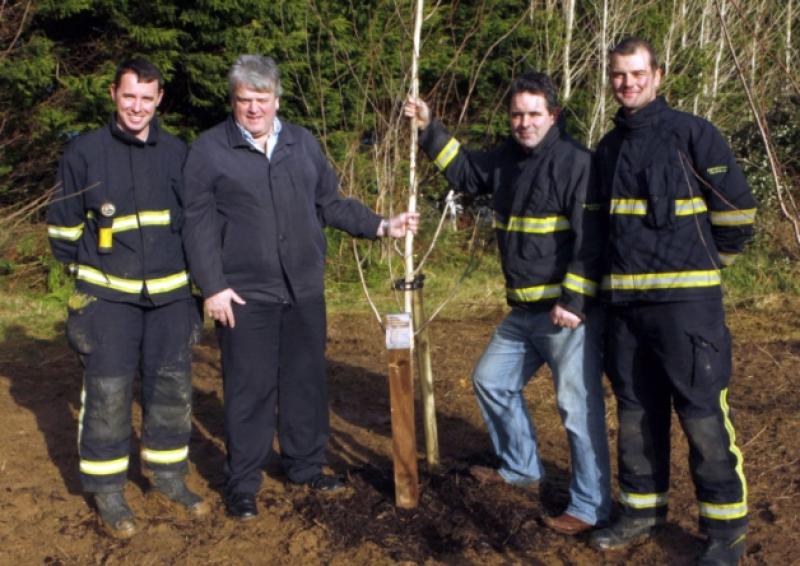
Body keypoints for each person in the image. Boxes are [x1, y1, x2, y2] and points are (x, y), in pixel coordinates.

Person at [181, 54, 418, 520]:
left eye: (262, 100)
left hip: (304, 289)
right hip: (244, 294)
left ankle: (305, 465)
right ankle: (243, 482)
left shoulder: (302, 144)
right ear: (233, 101)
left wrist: (381, 225)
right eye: (245, 100)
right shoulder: (209, 151)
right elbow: (197, 224)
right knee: (249, 390)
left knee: (305, 384)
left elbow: (329, 202)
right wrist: (212, 286)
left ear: (277, 100)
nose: (253, 109)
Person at [405, 71, 611, 535]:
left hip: (565, 316)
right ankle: (520, 468)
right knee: (490, 380)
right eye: (517, 114)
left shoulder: (577, 162)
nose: (524, 122)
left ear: (552, 115)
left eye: (533, 113)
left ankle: (590, 506)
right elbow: (465, 171)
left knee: (577, 411)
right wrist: (428, 127)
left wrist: (573, 300)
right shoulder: (505, 159)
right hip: (523, 312)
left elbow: (592, 241)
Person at [588, 38, 756, 565]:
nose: (628, 83)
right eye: (619, 75)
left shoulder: (693, 133)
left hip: (688, 312)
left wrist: (707, 269)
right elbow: (597, 231)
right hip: (627, 313)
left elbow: (738, 216)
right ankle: (641, 510)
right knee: (636, 414)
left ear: (657, 75)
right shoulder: (608, 148)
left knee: (703, 415)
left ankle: (725, 531)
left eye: (637, 73)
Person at [46, 58, 207, 539]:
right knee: (108, 394)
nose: (137, 106)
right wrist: (91, 277)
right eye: (129, 96)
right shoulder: (84, 153)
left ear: (159, 100)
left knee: (172, 390)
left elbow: (196, 224)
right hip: (107, 301)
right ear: (114, 94)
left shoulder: (179, 153)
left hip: (172, 298)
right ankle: (108, 489)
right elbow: (62, 229)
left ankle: (167, 476)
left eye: (147, 98)